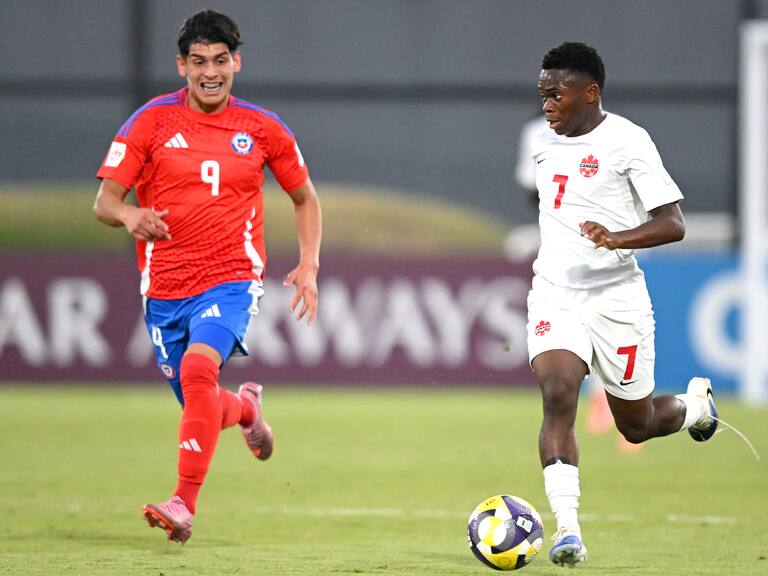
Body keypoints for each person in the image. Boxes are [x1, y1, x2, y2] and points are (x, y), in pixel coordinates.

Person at [92, 9, 322, 544]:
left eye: (220, 61)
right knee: (201, 401)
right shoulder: (150, 121)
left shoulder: (263, 128)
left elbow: (305, 198)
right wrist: (129, 216)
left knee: (199, 371)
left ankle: (183, 503)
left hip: (231, 279)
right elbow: (104, 200)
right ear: (182, 66)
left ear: (236, 63)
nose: (210, 72)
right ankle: (246, 408)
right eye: (198, 62)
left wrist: (309, 263)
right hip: (164, 289)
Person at [526, 42, 718, 567]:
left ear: (590, 93)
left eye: (556, 95)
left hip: (617, 299)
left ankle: (697, 406)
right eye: (542, 95)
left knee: (636, 424)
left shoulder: (630, 143)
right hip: (555, 293)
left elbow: (673, 223)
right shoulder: (542, 147)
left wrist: (617, 238)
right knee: (558, 392)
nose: (546, 106)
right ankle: (568, 529)